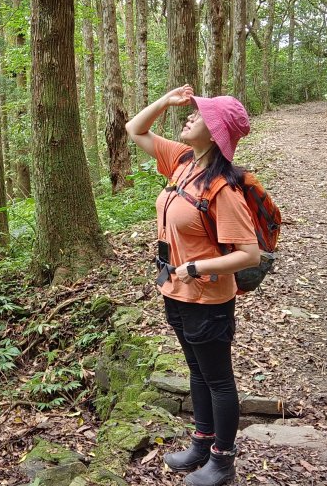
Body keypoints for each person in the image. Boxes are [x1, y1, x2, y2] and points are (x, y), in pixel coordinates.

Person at [125, 84, 260, 486]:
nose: (189, 117)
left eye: (198, 115)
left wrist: (198, 268)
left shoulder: (223, 188)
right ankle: (202, 443)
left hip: (207, 297)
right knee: (196, 372)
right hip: (176, 291)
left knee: (217, 378)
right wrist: (165, 101)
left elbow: (249, 254)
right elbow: (135, 129)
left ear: (215, 130)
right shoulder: (183, 161)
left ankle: (223, 459)